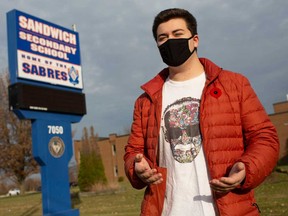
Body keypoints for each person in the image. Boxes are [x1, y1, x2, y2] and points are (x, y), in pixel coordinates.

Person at [124, 8, 279, 216]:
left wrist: (246, 167)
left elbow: (265, 138)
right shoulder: (145, 101)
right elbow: (133, 152)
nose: (170, 41)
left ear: (195, 39)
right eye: (163, 37)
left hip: (226, 208)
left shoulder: (234, 85)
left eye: (177, 34)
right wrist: (136, 167)